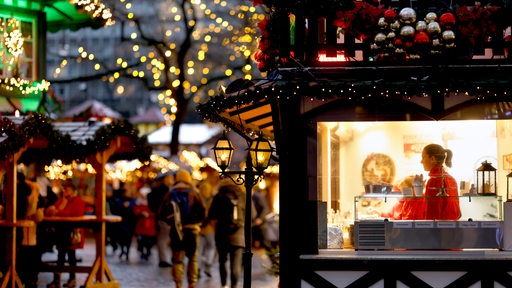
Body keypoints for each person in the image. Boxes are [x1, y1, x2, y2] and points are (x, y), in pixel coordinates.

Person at [208, 180, 256, 288]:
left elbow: (211, 215)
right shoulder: (243, 196)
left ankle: (224, 284)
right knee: (236, 264)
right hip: (238, 234)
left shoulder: (218, 197)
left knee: (222, 261)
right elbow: (253, 215)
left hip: (222, 234)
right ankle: (234, 286)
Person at [45, 179, 86, 288]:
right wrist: (52, 210)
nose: (64, 191)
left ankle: (72, 279)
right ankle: (57, 280)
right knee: (61, 256)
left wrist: (58, 212)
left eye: (67, 189)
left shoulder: (78, 201)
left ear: (73, 191)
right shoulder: (61, 200)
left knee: (71, 257)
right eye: (64, 189)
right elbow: (50, 211)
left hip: (72, 233)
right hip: (61, 233)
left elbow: (74, 214)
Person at [168, 169, 206, 288]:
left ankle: (178, 283)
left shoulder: (171, 192)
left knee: (177, 259)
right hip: (192, 230)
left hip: (176, 230)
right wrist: (198, 223)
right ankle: (191, 283)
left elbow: (161, 212)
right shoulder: (194, 192)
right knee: (192, 258)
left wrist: (172, 222)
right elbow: (203, 212)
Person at [418, 143, 461, 220]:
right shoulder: (451, 178)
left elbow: (432, 213)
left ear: (432, 159)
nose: (421, 161)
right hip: (452, 227)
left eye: (423, 157)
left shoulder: (434, 180)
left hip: (439, 229)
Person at [148, 170, 174, 268]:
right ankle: (163, 260)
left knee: (163, 238)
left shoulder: (159, 189)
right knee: (164, 239)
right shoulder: (164, 190)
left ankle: (163, 258)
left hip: (161, 217)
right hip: (165, 217)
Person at [133, 184, 157, 261]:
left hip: (149, 224)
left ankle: (148, 251)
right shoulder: (139, 203)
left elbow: (155, 212)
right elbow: (135, 211)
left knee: (149, 240)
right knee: (141, 240)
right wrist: (141, 213)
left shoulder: (152, 203)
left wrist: (149, 214)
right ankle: (142, 251)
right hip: (141, 224)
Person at [197, 181, 215, 278]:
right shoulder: (212, 200)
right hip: (209, 228)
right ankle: (208, 265)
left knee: (199, 250)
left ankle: (198, 268)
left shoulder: (198, 198)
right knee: (211, 247)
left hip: (199, 228)